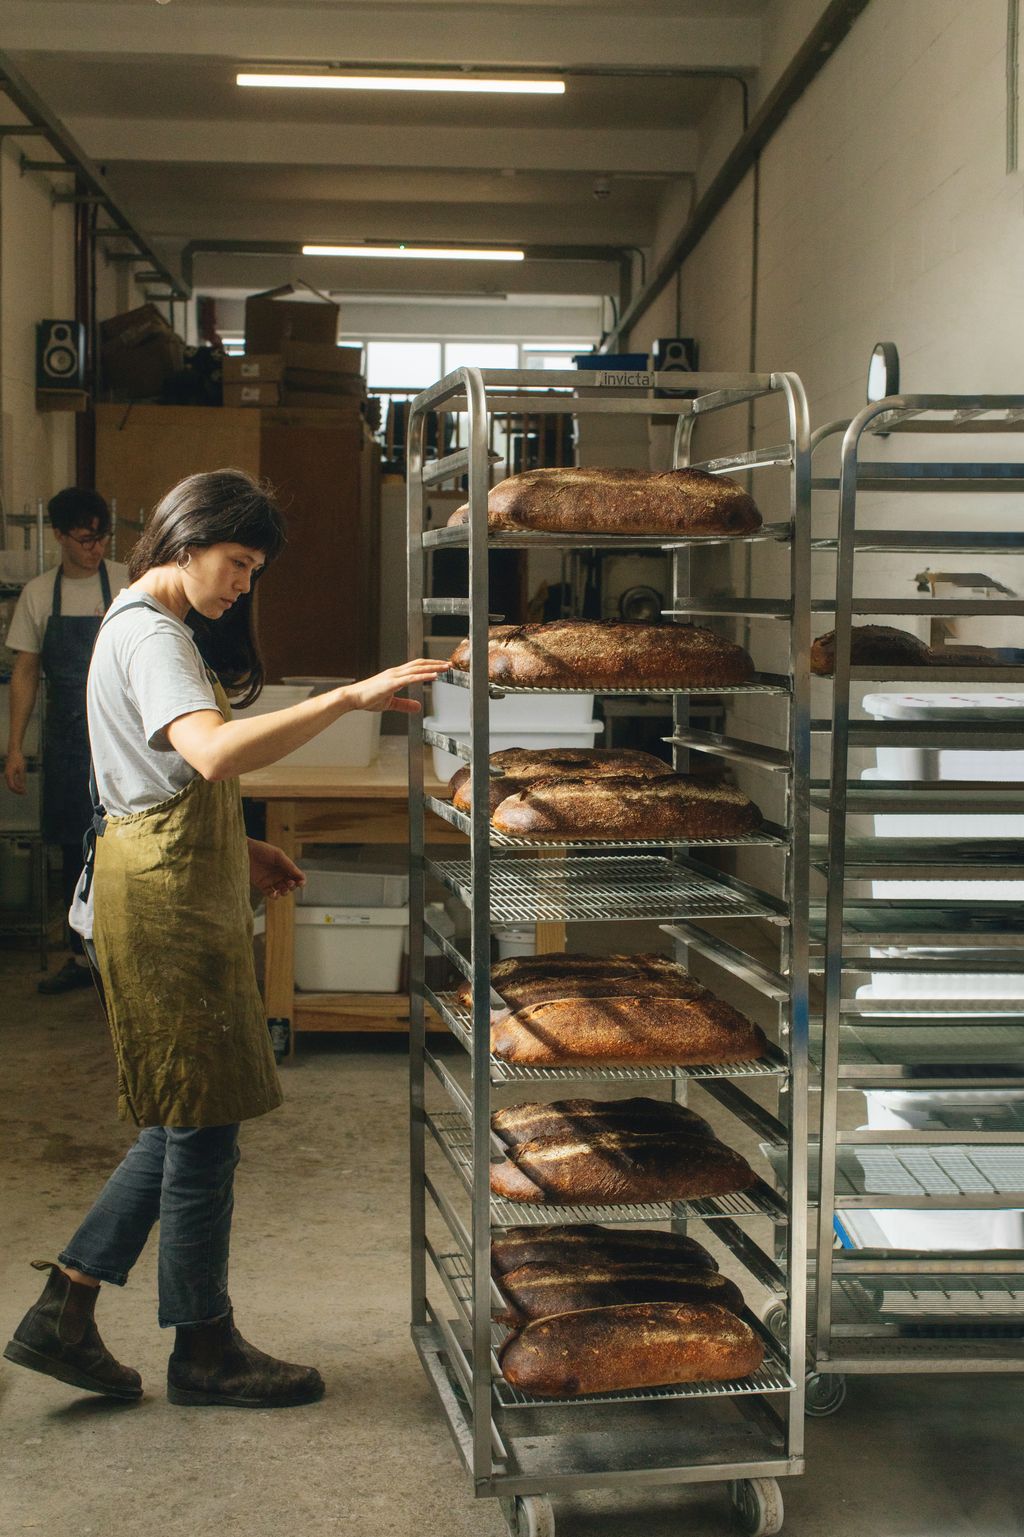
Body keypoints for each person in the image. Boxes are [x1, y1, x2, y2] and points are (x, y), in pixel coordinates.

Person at [3, 469, 447, 1409]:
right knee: (200, 1125)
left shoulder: (135, 622)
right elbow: (207, 750)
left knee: (189, 1119)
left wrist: (232, 842)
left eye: (253, 571)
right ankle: (200, 1346)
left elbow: (150, 773)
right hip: (157, 898)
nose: (242, 585)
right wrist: (348, 697)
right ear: (187, 538)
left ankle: (69, 1308)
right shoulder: (154, 631)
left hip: (164, 869)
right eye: (237, 563)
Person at [3, 489, 129, 993]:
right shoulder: (38, 593)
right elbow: (25, 672)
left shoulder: (126, 583)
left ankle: (124, 958)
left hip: (121, 735)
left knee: (123, 843)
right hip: (66, 740)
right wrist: (16, 746)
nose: (94, 549)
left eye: (100, 538)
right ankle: (81, 961)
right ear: (58, 536)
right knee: (71, 849)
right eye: (83, 540)